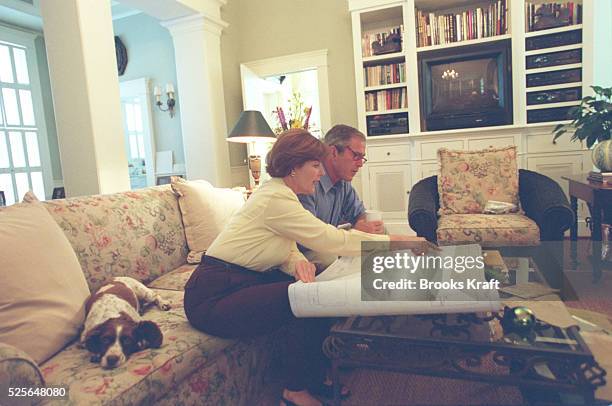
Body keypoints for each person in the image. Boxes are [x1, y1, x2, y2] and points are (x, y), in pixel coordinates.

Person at [183, 129, 435, 406]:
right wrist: (397, 241)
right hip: (213, 294)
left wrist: (298, 262)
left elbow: (284, 244)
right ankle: (294, 391)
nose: (319, 173)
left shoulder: (281, 194)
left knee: (311, 294)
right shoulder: (276, 198)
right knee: (306, 300)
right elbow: (331, 238)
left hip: (240, 282)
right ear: (293, 168)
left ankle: (314, 378)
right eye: (315, 166)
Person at [298, 124, 383, 235]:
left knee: (380, 229)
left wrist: (364, 224)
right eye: (356, 156)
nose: (360, 164)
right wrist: (354, 231)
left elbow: (359, 215)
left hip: (328, 244)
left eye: (362, 158)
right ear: (334, 152)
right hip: (307, 248)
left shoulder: (343, 183)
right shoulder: (309, 182)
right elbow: (311, 235)